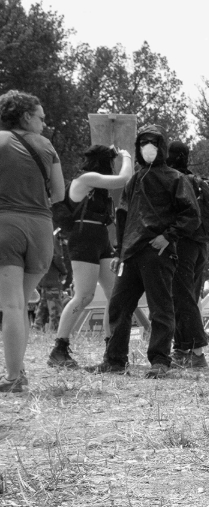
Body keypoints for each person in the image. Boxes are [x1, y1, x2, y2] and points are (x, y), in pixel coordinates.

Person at [88, 125, 199, 378]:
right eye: (143, 143)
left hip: (157, 253)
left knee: (160, 308)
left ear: (162, 147)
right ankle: (115, 360)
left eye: (153, 143)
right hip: (131, 253)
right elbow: (123, 214)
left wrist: (167, 237)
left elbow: (192, 215)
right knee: (118, 306)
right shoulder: (136, 178)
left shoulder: (175, 178)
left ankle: (160, 360)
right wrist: (118, 252)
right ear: (137, 147)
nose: (148, 147)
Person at [0, 90, 66, 392]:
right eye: (40, 117)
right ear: (26, 116)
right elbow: (60, 193)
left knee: (11, 306)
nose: (43, 122)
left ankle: (14, 379)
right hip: (41, 228)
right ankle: (19, 370)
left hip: (6, 226)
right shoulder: (46, 145)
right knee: (21, 302)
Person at [47, 144, 134, 367]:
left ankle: (111, 349)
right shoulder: (86, 179)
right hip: (83, 237)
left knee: (115, 295)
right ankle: (59, 349)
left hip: (99, 237)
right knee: (84, 295)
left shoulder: (95, 182)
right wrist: (126, 157)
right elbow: (124, 179)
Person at [165, 141, 209, 368]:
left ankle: (198, 352)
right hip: (199, 244)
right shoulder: (195, 180)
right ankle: (182, 349)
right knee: (187, 297)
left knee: (182, 298)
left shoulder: (175, 181)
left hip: (182, 244)